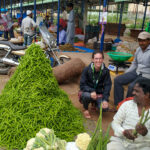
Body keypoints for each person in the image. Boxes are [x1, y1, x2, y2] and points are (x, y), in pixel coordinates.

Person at [107, 78, 150, 150]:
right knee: (111, 147)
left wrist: (145, 133)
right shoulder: (127, 105)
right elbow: (115, 123)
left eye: (137, 91)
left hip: (144, 145)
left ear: (147, 95)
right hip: (122, 141)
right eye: (133, 90)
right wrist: (123, 132)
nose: (133, 93)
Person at [114, 31, 150, 107]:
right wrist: (127, 73)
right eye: (140, 40)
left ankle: (127, 107)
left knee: (132, 86)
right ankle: (119, 104)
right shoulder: (138, 50)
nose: (141, 43)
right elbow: (134, 63)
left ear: (148, 41)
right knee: (118, 80)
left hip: (146, 75)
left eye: (144, 41)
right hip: (137, 72)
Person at [80, 51, 112, 119]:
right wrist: (91, 91)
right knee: (86, 96)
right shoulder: (87, 70)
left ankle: (95, 103)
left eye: (100, 58)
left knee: (105, 108)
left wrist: (105, 100)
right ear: (92, 59)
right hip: (88, 92)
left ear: (103, 59)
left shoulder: (106, 71)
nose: (98, 61)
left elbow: (107, 85)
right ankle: (85, 109)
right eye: (96, 58)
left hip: (99, 93)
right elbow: (82, 85)